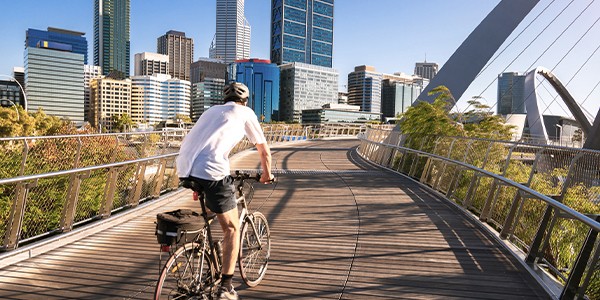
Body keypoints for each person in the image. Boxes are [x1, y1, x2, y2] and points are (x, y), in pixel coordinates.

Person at [176, 82, 274, 300]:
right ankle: (227, 288)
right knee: (231, 229)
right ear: (245, 100)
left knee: (214, 208)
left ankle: (203, 250)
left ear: (225, 99)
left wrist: (196, 181)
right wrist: (267, 174)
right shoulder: (245, 112)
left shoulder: (211, 111)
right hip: (211, 172)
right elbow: (263, 149)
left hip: (185, 168)